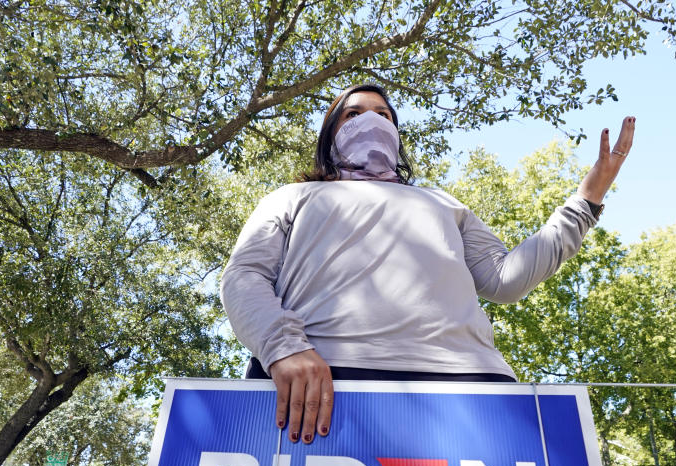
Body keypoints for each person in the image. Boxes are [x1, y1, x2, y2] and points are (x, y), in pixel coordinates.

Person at [220, 83, 634, 446]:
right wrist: (284, 348)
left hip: (465, 380)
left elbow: (505, 279)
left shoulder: (444, 204)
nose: (372, 120)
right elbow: (245, 276)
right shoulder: (293, 196)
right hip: (323, 380)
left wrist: (587, 199)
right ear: (331, 136)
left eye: (383, 115)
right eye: (354, 114)